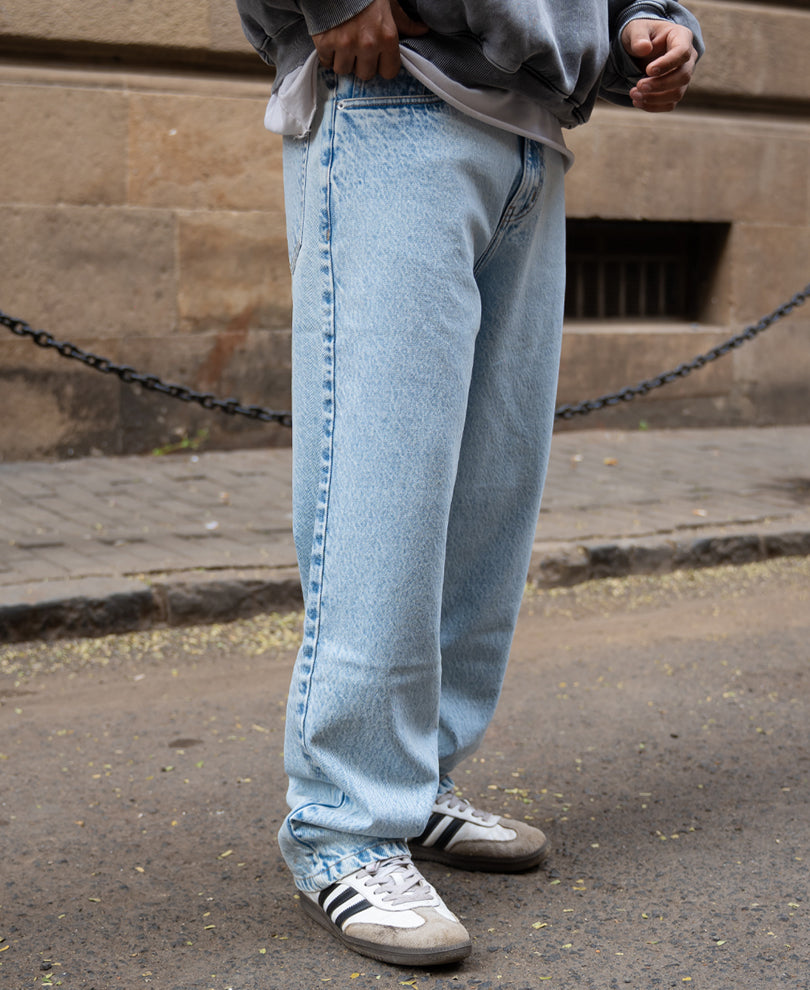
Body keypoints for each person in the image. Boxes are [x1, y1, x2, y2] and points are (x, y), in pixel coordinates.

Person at [236, 0, 703, 967]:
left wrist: (648, 23)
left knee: (489, 490)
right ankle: (345, 823)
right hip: (392, 99)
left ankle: (415, 781)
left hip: (534, 132)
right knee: (385, 485)